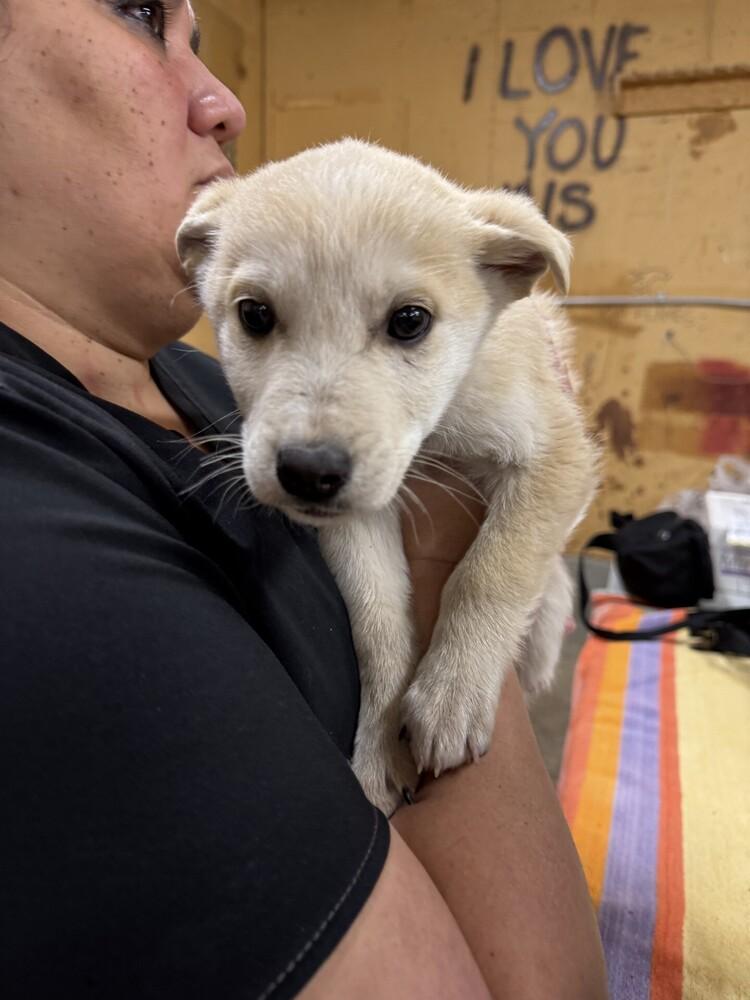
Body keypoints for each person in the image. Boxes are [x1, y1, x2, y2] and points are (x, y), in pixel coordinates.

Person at [0, 1, 608, 997]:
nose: (223, 101)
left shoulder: (192, 390)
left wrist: (458, 596)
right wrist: (440, 564)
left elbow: (491, 491)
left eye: (200, 35)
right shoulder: (41, 541)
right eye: (141, 14)